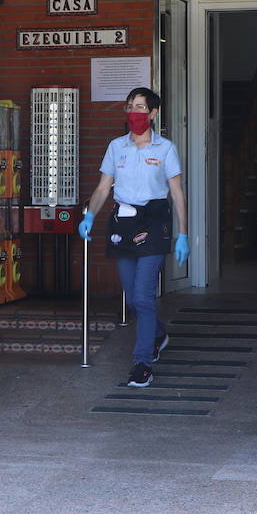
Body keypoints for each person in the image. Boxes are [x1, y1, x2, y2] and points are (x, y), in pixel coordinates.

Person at [77, 87, 189, 388]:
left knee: (142, 295)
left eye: (140, 108)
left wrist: (183, 234)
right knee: (133, 295)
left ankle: (142, 362)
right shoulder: (117, 147)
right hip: (123, 223)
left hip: (153, 222)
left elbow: (176, 192)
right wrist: (90, 214)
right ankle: (158, 334)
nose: (134, 114)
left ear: (152, 113)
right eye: (130, 107)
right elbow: (103, 187)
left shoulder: (165, 148)